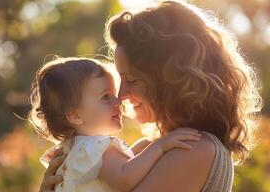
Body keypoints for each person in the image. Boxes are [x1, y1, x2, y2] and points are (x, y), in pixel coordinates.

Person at [39, 0, 262, 192]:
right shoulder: (151, 148)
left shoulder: (195, 148)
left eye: (132, 80)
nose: (121, 95)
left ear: (171, 79)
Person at [29, 57, 202, 192]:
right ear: (75, 116)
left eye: (114, 94)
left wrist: (138, 149)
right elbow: (124, 178)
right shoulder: (98, 147)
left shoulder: (75, 150)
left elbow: (108, 170)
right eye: (106, 97)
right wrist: (160, 146)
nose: (118, 101)